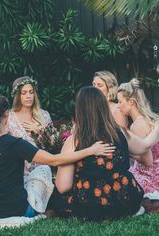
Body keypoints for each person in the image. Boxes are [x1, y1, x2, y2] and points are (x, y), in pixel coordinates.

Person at [0, 94, 115, 219]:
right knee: (42, 169)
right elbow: (54, 160)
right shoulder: (16, 143)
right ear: (7, 114)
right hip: (17, 210)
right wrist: (90, 150)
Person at [52, 86, 144, 221]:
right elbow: (142, 148)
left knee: (57, 194)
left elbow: (63, 187)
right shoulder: (120, 132)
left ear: (80, 110)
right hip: (126, 200)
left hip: (91, 205)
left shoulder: (74, 140)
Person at [118, 78, 159, 200]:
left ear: (131, 102)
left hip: (150, 174)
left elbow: (148, 161)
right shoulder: (147, 120)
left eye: (120, 102)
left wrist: (125, 151)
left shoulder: (137, 125)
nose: (118, 106)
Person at [7, 76, 52, 176]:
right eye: (24, 93)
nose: (29, 96)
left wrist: (40, 130)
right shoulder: (9, 117)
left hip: (42, 170)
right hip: (17, 172)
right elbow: (0, 141)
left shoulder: (44, 115)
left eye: (31, 92)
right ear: (17, 95)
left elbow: (53, 144)